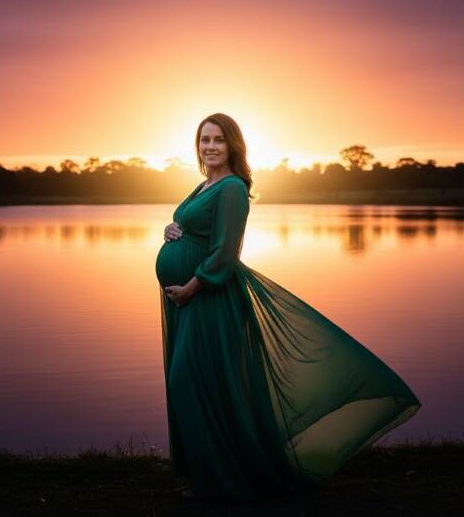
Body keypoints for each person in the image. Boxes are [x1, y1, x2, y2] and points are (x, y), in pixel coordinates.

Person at [155, 112, 421, 502]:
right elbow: (195, 228)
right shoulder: (204, 185)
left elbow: (225, 253)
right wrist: (172, 231)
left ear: (233, 146)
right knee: (204, 387)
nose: (209, 146)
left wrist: (192, 287)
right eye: (204, 140)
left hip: (208, 299)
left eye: (218, 140)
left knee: (189, 382)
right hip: (188, 301)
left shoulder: (231, 188)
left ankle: (221, 481)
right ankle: (206, 476)